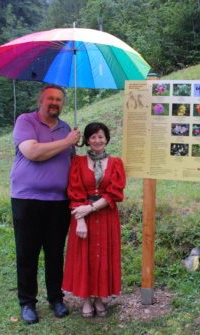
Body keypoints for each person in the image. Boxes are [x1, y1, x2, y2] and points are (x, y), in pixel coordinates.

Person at [10, 85, 81, 324]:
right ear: (41, 100)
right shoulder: (26, 121)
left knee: (54, 253)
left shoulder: (66, 129)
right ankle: (27, 303)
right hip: (27, 199)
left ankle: (55, 298)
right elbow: (32, 152)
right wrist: (66, 141)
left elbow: (72, 164)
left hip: (59, 201)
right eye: (50, 98)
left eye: (59, 99)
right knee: (27, 253)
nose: (55, 102)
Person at [62, 122, 126, 318]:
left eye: (100, 136)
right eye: (92, 137)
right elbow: (75, 191)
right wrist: (80, 219)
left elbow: (114, 192)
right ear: (86, 141)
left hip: (106, 215)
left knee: (103, 255)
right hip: (81, 216)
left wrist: (89, 208)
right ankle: (86, 300)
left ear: (106, 138)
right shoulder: (78, 162)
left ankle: (100, 298)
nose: (97, 141)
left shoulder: (116, 163)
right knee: (85, 256)